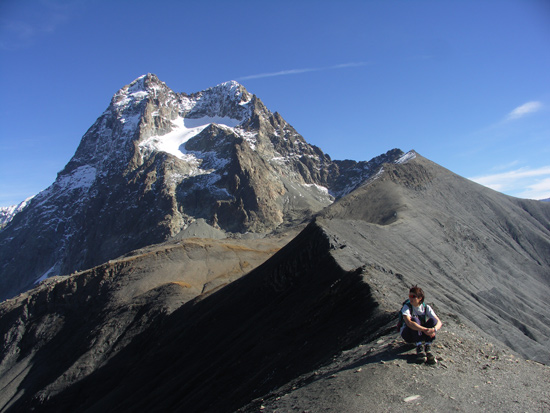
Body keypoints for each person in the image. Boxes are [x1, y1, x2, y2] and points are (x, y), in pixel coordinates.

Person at [400, 285, 442, 364]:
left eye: (413, 296)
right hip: (408, 334)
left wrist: (433, 329)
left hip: (421, 333)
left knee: (433, 321)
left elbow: (438, 322)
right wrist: (425, 330)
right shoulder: (407, 307)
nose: (410, 298)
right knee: (414, 320)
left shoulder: (426, 307)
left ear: (420, 298)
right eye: (410, 296)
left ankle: (427, 346)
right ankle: (419, 346)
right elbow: (409, 323)